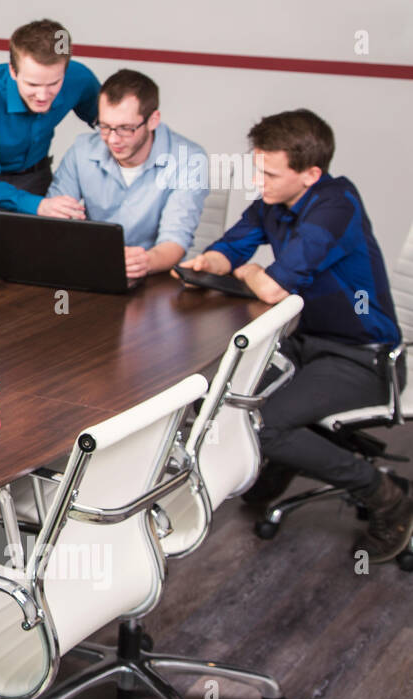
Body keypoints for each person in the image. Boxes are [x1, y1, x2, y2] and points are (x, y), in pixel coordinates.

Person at [176, 109, 411, 563]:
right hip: (308, 345)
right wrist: (209, 264)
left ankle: (387, 497)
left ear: (310, 175)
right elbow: (230, 248)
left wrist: (246, 270)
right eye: (256, 168)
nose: (258, 180)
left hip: (365, 357)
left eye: (269, 172)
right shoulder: (274, 201)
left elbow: (272, 287)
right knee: (223, 397)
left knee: (263, 424)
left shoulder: (337, 205)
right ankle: (285, 457)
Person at [0, 18, 100, 251]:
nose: (43, 95)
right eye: (32, 84)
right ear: (13, 70)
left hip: (34, 178)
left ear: (66, 68)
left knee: (34, 262)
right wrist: (40, 206)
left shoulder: (80, 79)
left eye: (54, 83)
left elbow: (113, 125)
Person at [47, 69, 209, 278]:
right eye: (105, 126)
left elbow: (175, 240)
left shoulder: (188, 159)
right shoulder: (82, 150)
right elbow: (53, 222)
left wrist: (143, 263)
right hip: (89, 268)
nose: (113, 139)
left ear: (153, 120)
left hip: (154, 277)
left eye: (125, 128)